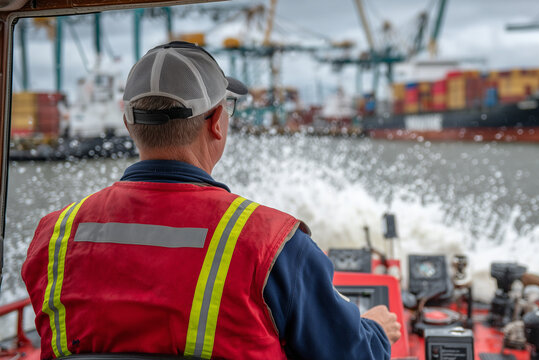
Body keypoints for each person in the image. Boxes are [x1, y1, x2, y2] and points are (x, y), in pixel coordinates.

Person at [22, 41, 401, 360]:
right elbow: (350, 352)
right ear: (217, 120)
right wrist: (377, 332)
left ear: (127, 124)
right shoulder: (273, 245)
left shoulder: (53, 237)